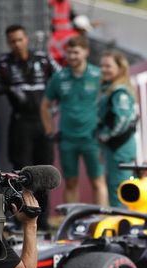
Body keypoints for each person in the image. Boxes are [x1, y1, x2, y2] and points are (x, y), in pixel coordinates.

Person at [0, 24, 60, 230]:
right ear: (9, 43)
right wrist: (8, 89)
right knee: (22, 174)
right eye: (13, 41)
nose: (17, 44)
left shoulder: (42, 59)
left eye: (20, 39)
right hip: (20, 122)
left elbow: (61, 78)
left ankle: (42, 221)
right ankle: (21, 218)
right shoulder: (3, 63)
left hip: (43, 122)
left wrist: (54, 105)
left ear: (27, 39)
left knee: (45, 171)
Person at [41, 35, 108, 206]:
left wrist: (106, 129)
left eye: (76, 52)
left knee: (98, 181)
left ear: (86, 52)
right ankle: (71, 223)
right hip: (67, 139)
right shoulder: (59, 77)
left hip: (92, 139)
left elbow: (112, 99)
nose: (72, 57)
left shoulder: (98, 75)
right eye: (69, 53)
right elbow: (45, 104)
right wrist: (49, 130)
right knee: (70, 182)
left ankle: (102, 222)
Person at [97, 50, 139, 207]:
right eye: (102, 66)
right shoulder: (109, 88)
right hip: (114, 148)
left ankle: (123, 225)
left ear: (120, 69)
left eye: (108, 66)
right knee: (115, 187)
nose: (103, 69)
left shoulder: (119, 91)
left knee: (119, 189)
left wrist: (105, 136)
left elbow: (122, 120)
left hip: (120, 147)